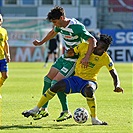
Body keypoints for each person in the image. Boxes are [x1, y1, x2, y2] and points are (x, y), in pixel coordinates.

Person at [22, 34, 124, 125]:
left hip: (89, 81)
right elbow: (71, 52)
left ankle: (94, 119)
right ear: (96, 44)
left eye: (103, 49)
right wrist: (69, 53)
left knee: (89, 90)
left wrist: (117, 86)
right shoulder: (84, 47)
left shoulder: (105, 58)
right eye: (99, 46)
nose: (100, 50)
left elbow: (114, 73)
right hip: (75, 79)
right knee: (56, 85)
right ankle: (36, 109)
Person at [32, 6, 97, 121]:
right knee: (47, 79)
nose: (55, 24)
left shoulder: (76, 27)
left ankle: (66, 111)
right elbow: (53, 32)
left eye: (55, 22)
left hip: (74, 60)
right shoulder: (59, 26)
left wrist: (86, 57)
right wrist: (41, 42)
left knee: (56, 82)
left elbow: (92, 40)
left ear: (62, 18)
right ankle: (43, 110)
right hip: (65, 57)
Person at [0, 14, 11, 99]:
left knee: (5, 76)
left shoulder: (4, 31)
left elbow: (6, 43)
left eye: (0, 19)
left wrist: (8, 54)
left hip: (2, 57)